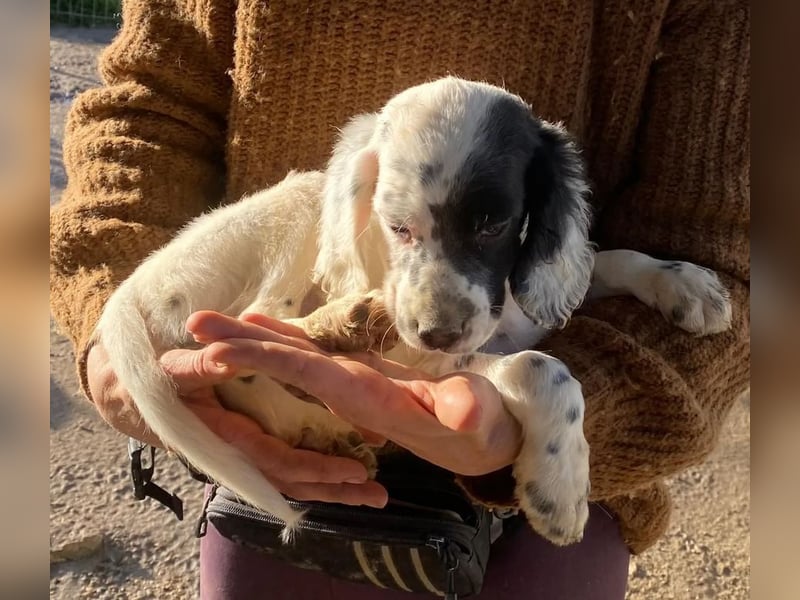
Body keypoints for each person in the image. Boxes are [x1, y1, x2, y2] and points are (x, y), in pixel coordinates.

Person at [49, 1, 750, 598]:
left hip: (549, 515)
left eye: (489, 225)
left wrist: (598, 371)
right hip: (283, 454)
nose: (438, 317)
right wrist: (122, 330)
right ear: (364, 200)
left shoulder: (550, 214)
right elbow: (148, 109)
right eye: (401, 230)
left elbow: (726, 246)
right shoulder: (344, 207)